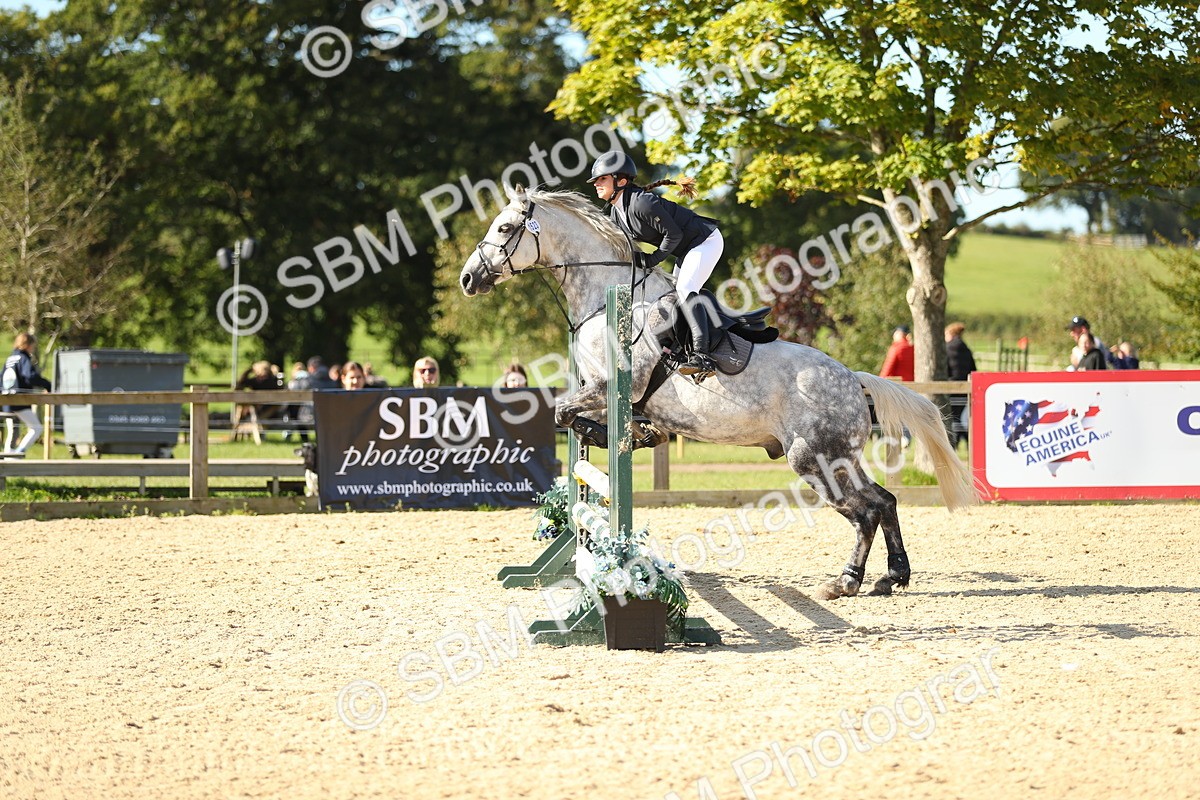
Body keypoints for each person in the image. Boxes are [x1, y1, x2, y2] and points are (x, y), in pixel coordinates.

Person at [587, 150, 724, 378]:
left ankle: (703, 356)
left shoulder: (642, 202)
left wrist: (652, 259)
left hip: (705, 241)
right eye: (596, 180)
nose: (596, 184)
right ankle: (685, 348)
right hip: (686, 250)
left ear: (621, 181)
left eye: (602, 179)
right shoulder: (617, 213)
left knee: (685, 289)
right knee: (673, 295)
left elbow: (674, 235)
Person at [2, 332, 53, 455]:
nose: (33, 349)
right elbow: (30, 376)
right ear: (27, 345)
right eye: (32, 346)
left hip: (6, 400)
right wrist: (47, 385)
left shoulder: (10, 359)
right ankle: (19, 453)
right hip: (19, 401)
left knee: (12, 430)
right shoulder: (23, 358)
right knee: (36, 428)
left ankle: (9, 457)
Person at [944, 322, 977, 448]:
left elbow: (944, 368)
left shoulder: (946, 349)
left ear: (951, 334)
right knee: (961, 416)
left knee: (953, 417)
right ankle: (968, 442)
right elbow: (973, 369)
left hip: (950, 387)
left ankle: (955, 443)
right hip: (965, 388)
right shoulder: (967, 350)